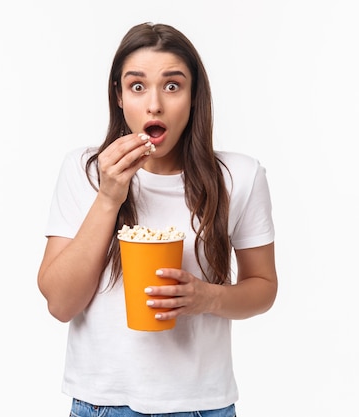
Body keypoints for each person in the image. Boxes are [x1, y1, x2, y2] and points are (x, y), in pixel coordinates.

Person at [37, 22, 278, 416]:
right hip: (103, 404)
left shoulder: (241, 176)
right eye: (137, 86)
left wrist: (208, 297)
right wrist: (109, 196)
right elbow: (60, 304)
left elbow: (264, 287)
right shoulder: (84, 170)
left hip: (203, 405)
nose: (154, 105)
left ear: (194, 95)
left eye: (172, 86)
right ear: (118, 96)